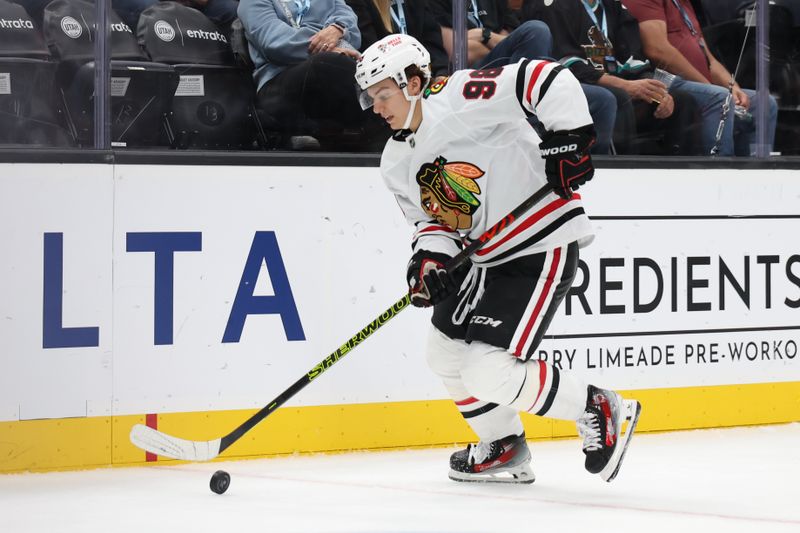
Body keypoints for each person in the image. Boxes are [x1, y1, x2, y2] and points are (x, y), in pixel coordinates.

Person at [354, 33, 641, 483]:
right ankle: (503, 445)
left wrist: (572, 136)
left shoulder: (460, 95)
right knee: (444, 354)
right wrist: (428, 261)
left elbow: (545, 77)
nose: (376, 107)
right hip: (485, 259)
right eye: (371, 98)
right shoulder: (394, 161)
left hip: (537, 244)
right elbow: (431, 223)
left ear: (413, 83)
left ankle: (597, 405)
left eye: (383, 94)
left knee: (488, 371)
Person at [523, 0, 700, 155]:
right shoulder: (553, 5)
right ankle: (625, 172)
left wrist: (657, 92)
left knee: (683, 101)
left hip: (621, 85)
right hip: (577, 89)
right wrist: (624, 85)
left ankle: (680, 175)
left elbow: (634, 59)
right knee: (617, 97)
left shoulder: (613, 6)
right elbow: (564, 63)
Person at [622, 0, 777, 155]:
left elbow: (709, 58)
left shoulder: (684, 4)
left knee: (763, 103)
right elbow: (656, 49)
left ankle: (756, 171)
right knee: (720, 98)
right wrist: (711, 87)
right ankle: (719, 170)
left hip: (699, 84)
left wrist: (733, 87)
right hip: (664, 81)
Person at [239, 0, 372, 148]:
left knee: (378, 69)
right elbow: (275, 42)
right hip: (278, 79)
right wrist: (328, 46)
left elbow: (351, 28)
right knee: (329, 63)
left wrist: (337, 28)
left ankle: (380, 135)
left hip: (333, 63)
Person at [345, 0, 450, 79]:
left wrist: (441, 74)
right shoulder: (357, 3)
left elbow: (432, 41)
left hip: (423, 77)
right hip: (390, 82)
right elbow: (372, 54)